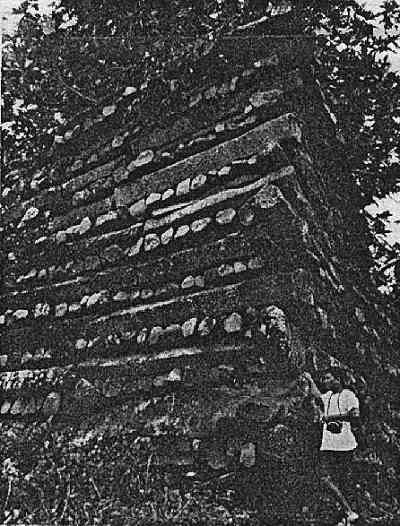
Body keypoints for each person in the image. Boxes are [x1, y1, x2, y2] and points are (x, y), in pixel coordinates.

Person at [302, 368, 360, 524]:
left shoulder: (348, 395)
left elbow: (355, 414)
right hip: (329, 445)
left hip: (345, 444)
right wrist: (309, 379)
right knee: (325, 477)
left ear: (338, 380)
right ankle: (348, 512)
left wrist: (330, 418)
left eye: (328, 378)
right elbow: (317, 395)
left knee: (341, 480)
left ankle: (347, 514)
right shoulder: (328, 396)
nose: (325, 381)